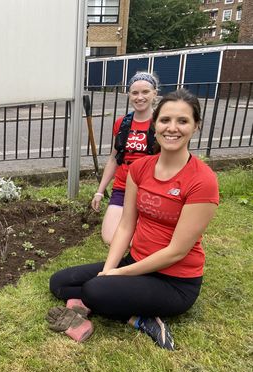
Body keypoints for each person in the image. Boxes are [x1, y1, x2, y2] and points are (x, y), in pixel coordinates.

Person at [48, 89, 219, 350]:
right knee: (60, 282)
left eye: (182, 121)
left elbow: (176, 251)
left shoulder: (202, 180)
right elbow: (126, 225)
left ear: (196, 126)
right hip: (137, 261)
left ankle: (143, 320)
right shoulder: (139, 169)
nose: (172, 128)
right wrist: (109, 268)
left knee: (94, 291)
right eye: (165, 120)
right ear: (155, 124)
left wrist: (116, 275)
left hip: (174, 281)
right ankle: (120, 301)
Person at [92, 72, 159, 244]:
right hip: (122, 186)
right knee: (109, 238)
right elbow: (114, 158)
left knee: (135, 239)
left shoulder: (161, 123)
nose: (140, 97)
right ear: (129, 95)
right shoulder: (122, 123)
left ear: (154, 94)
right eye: (135, 93)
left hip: (148, 188)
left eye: (145, 92)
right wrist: (100, 191)